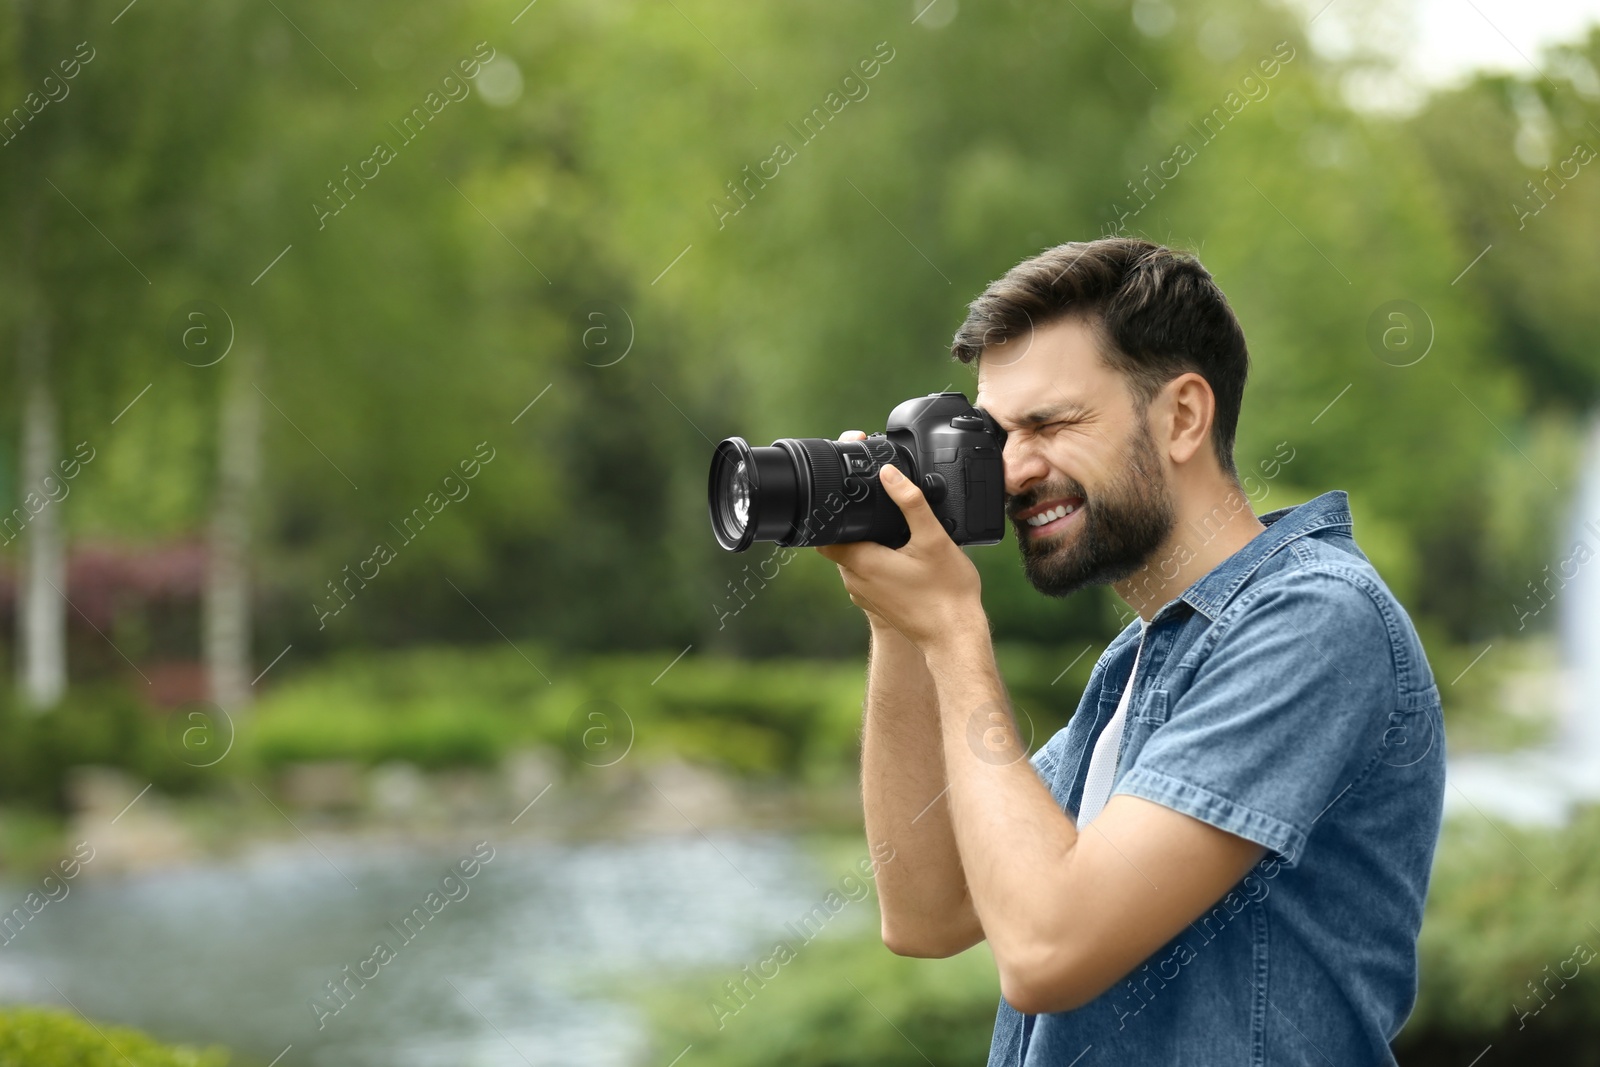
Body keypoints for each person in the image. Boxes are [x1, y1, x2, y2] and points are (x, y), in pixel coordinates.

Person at [818, 237, 1446, 1066]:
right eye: (996, 435)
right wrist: (898, 620)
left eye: (1050, 424)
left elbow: (1047, 950)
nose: (1011, 471)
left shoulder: (1315, 621)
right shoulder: (1140, 661)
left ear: (1183, 415)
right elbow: (926, 913)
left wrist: (953, 628)